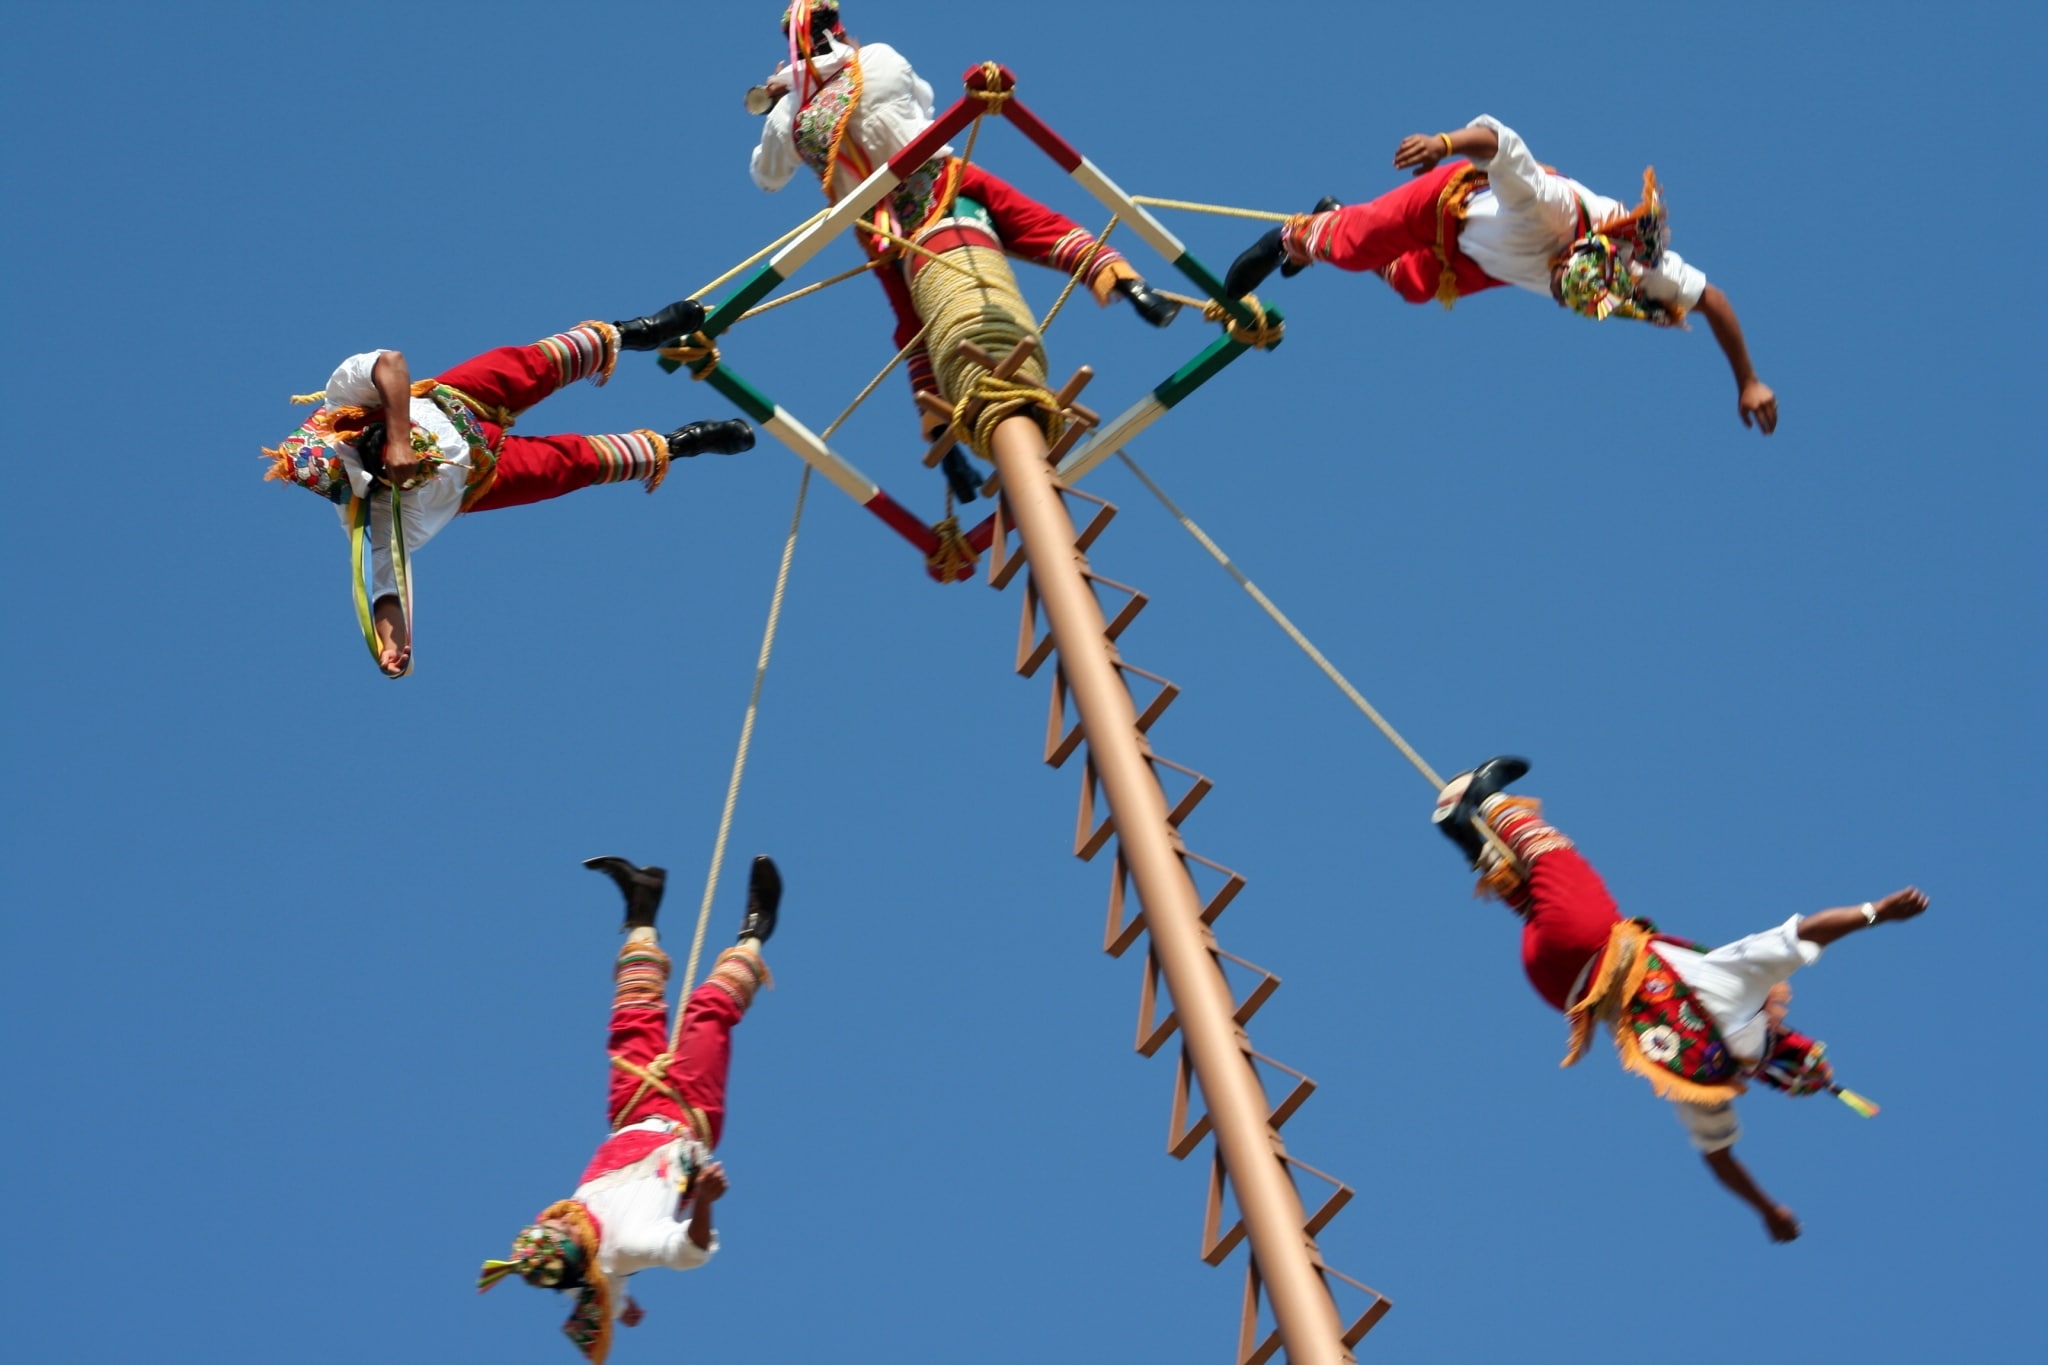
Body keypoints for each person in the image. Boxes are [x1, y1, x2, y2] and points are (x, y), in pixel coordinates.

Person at [1431, 757, 1927, 1242]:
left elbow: (1806, 933)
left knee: (1554, 858)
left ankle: (1487, 797)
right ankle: (1465, 833)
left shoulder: (1743, 989)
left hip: (1590, 941)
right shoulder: (1708, 1080)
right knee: (1534, 894)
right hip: (1558, 986)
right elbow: (1720, 1159)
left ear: (1782, 1035)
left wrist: (1877, 911)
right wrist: (1767, 1209)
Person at [748, 1, 1180, 500]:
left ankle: (944, 443)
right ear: (841, 31)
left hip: (884, 230)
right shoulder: (878, 58)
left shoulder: (791, 118)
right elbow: (922, 101)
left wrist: (783, 98)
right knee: (1039, 225)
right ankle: (1130, 286)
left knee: (914, 330)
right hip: (940, 181)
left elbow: (767, 177)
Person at [263, 301, 756, 675]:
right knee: (574, 464)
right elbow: (386, 585)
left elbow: (389, 362)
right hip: (484, 477)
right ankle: (680, 444)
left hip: (457, 400)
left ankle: (635, 333)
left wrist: (396, 438)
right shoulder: (375, 513)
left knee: (531, 363)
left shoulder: (342, 402)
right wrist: (392, 643)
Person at [1224, 115, 1779, 434]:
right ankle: (1292, 238)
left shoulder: (1641, 272)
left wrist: (1748, 380)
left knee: (1414, 286)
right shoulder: (1547, 206)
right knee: (1353, 246)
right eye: (1561, 284)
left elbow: (1713, 300)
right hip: (1449, 205)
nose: (1556, 296)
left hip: (1476, 262)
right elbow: (1498, 141)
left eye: (1564, 297)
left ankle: (1330, 219)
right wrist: (1441, 144)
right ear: (1571, 254)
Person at [478, 854, 782, 1364]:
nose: (561, 1219)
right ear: (578, 1251)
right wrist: (705, 1201)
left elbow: (601, 1293)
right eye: (561, 1232)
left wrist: (622, 1309)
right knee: (707, 1012)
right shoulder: (626, 1245)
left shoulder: (583, 1254)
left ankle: (642, 905)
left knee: (632, 1013)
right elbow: (690, 1253)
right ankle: (756, 929)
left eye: (550, 1225)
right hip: (688, 1114)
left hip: (631, 1109)